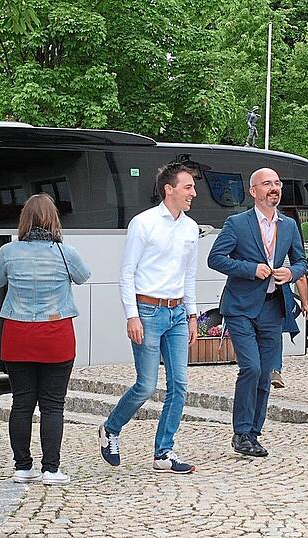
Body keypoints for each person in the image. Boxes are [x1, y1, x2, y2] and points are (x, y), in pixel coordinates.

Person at [98, 163, 199, 474]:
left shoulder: (191, 228)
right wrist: (132, 315)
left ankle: (163, 452)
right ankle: (111, 428)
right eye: (188, 187)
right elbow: (127, 272)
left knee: (179, 385)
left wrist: (193, 314)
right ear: (168, 189)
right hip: (148, 311)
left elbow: (189, 275)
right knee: (145, 385)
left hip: (178, 313)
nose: (193, 193)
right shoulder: (143, 224)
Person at [0, 193, 90, 486]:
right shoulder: (65, 252)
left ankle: (22, 467)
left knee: (22, 403)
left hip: (17, 335)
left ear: (24, 220)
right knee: (53, 405)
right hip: (56, 336)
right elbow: (83, 277)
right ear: (53, 219)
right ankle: (51, 469)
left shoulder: (9, 251)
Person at [208, 167, 307, 457]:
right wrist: (251, 269)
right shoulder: (237, 223)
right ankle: (240, 432)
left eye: (277, 183)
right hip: (240, 308)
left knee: (265, 373)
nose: (274, 188)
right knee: (250, 368)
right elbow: (216, 259)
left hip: (273, 308)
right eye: (267, 184)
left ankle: (253, 433)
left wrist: (290, 272)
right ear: (254, 191)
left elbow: (301, 261)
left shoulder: (288, 225)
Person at [270, 275, 308, 389]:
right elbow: (301, 277)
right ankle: (274, 370)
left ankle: (257, 369)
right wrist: (304, 303)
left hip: (251, 294)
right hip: (278, 294)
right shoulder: (287, 257)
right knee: (276, 332)